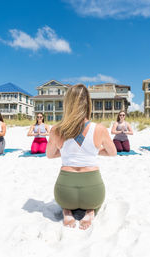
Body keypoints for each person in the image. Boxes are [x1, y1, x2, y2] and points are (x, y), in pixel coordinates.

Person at [46, 84, 117, 230]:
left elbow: (50, 155)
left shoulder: (56, 130)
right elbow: (112, 152)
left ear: (67, 103)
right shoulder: (99, 129)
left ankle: (67, 211)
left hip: (65, 193)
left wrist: (66, 151)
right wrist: (93, 150)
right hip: (93, 192)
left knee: (65, 203)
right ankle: (90, 212)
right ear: (88, 104)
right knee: (94, 203)